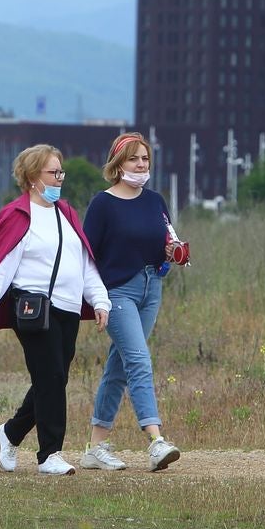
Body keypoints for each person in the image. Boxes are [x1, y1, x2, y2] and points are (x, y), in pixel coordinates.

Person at [0, 144, 110, 476]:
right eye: (53, 173)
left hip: (69, 309)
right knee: (52, 377)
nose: (60, 179)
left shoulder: (67, 214)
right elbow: (0, 267)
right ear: (32, 177)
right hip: (33, 308)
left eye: (61, 172)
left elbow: (84, 262)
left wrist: (99, 299)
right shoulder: (18, 217)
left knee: (54, 378)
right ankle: (50, 455)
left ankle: (11, 432)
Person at [79, 131, 187, 472]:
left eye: (145, 159)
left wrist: (171, 254)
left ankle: (95, 447)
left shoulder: (155, 201)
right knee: (139, 360)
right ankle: (155, 440)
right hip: (117, 292)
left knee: (119, 366)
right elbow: (86, 256)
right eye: (133, 158)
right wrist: (96, 300)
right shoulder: (103, 204)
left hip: (151, 287)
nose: (141, 164)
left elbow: (165, 245)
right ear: (117, 163)